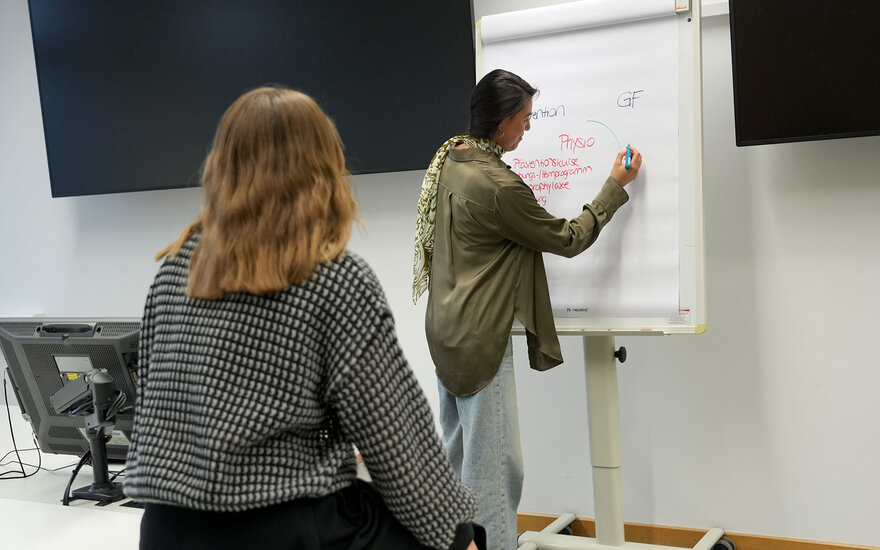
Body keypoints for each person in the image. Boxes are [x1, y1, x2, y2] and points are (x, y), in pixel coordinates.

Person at [123, 86, 483, 550]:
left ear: (222, 166)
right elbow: (397, 443)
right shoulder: (335, 279)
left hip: (165, 529)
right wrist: (461, 540)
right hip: (284, 527)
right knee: (457, 535)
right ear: (324, 168)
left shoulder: (176, 270)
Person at [411, 69, 642, 550]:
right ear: (501, 124)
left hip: (445, 332)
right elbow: (569, 238)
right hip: (481, 343)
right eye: (525, 119)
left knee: (459, 468)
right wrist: (613, 186)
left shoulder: (452, 157)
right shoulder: (498, 186)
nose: (529, 129)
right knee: (495, 473)